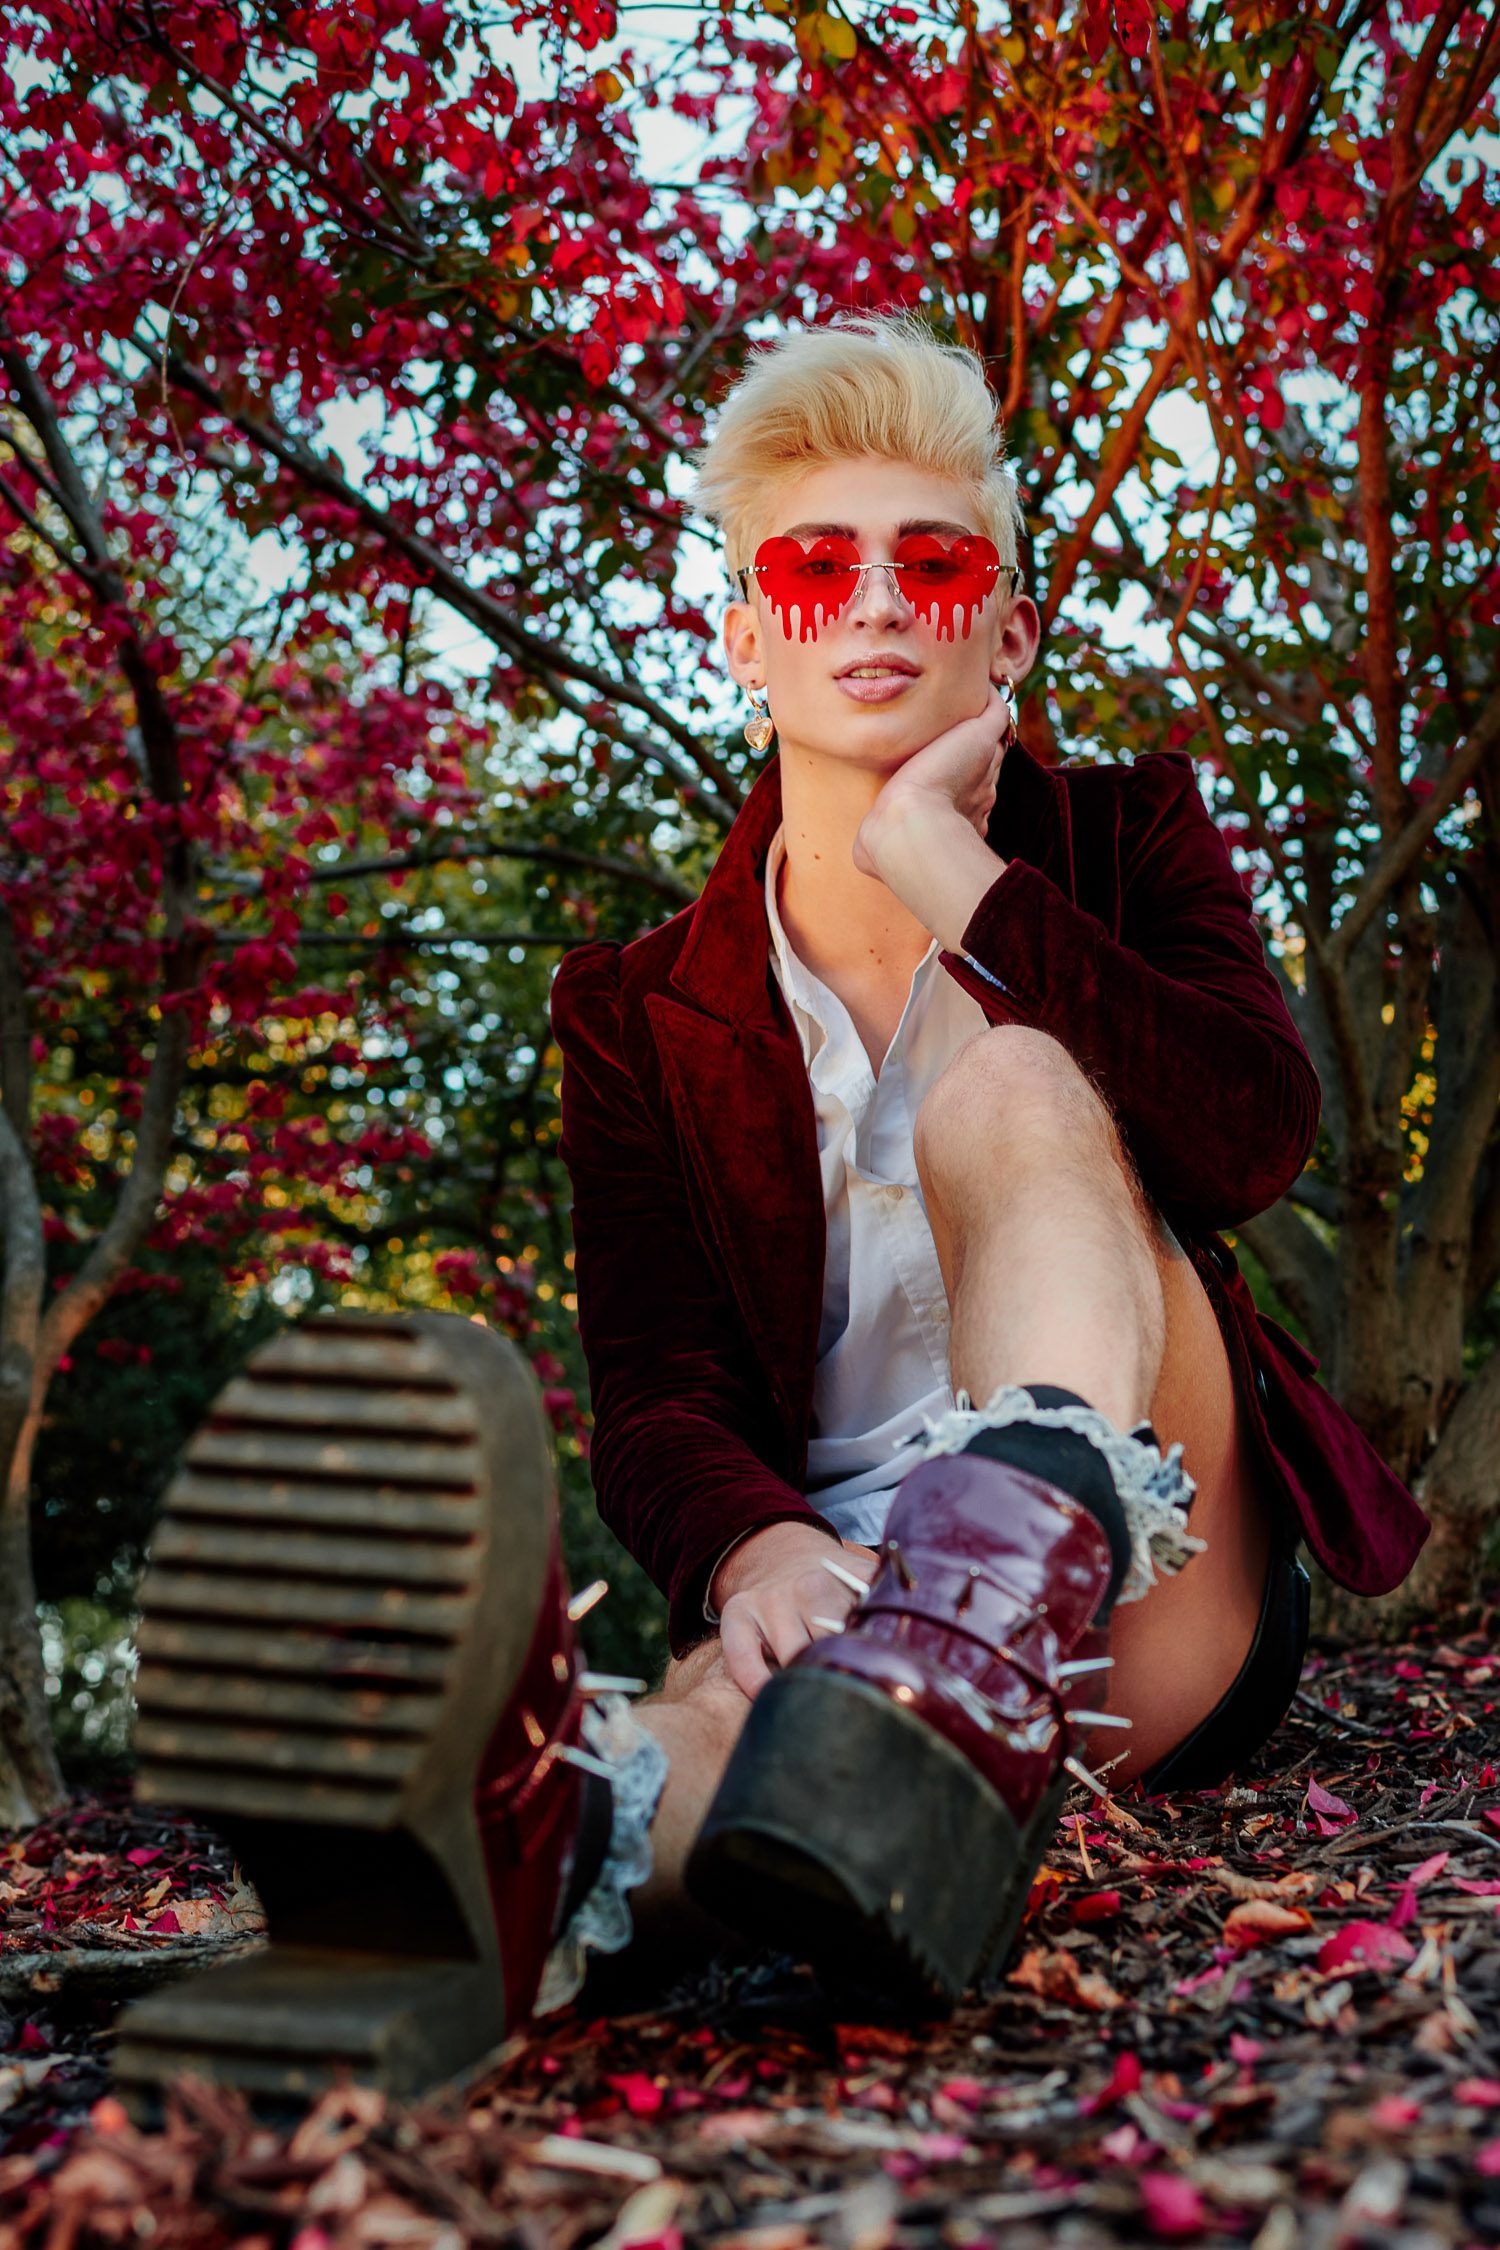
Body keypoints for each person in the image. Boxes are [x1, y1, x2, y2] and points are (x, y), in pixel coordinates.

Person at [125, 314, 1431, 2097]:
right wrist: (759, 1547)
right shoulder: (633, 1010)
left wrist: (950, 869)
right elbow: (662, 1395)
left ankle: (975, 1628)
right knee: (707, 1749)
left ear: (1009, 625)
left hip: (1145, 1550)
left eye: (933, 559)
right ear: (747, 631)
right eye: (817, 565)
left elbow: (1253, 1137)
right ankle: (511, 1883)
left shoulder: (1126, 835)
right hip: (846, 1572)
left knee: (1019, 1081)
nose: (877, 600)